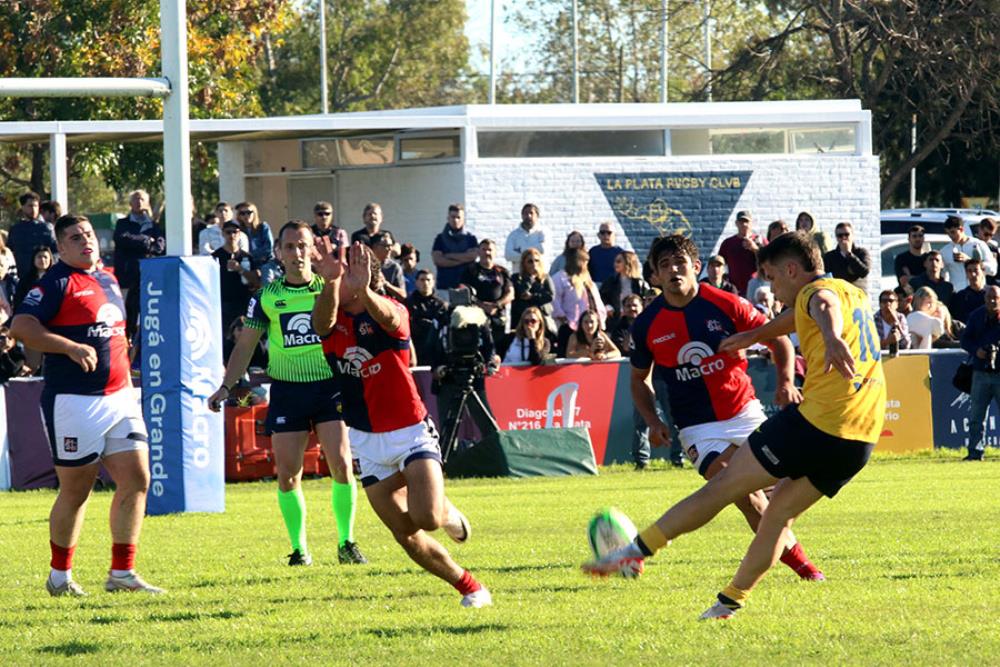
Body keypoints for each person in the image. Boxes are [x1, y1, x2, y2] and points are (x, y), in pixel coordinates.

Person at [585, 231, 881, 619]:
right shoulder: (853, 292)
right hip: (860, 438)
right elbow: (801, 314)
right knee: (774, 513)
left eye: (772, 278)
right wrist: (754, 335)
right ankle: (730, 602)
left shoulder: (812, 294)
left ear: (792, 270)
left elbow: (820, 305)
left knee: (726, 487)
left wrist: (830, 336)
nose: (772, 288)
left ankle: (635, 551)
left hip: (812, 422)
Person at [311, 240, 491, 608]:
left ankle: (444, 510)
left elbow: (391, 321)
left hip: (409, 430)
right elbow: (320, 325)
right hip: (365, 438)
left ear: (363, 278)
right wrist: (330, 282)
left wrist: (363, 290)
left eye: (341, 275)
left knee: (427, 518)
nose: (333, 281)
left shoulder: (393, 309)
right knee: (404, 533)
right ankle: (470, 587)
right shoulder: (332, 314)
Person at [10, 214, 164, 596]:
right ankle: (59, 576)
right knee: (77, 490)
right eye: (75, 238)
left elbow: (111, 332)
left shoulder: (108, 277)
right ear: (61, 247)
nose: (86, 241)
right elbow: (21, 326)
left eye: (89, 234)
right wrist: (70, 347)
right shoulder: (56, 282)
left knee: (137, 479)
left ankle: (122, 573)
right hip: (75, 402)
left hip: (120, 397)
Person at [208, 221, 366, 566]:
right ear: (278, 252)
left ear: (313, 249)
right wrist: (226, 386)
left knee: (341, 465)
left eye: (302, 245)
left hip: (329, 386)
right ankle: (299, 549)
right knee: (288, 474)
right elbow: (245, 345)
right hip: (287, 391)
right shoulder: (265, 297)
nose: (297, 253)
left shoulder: (330, 287)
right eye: (290, 246)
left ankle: (346, 542)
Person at [113, 189, 165, 342]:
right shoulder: (123, 223)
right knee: (126, 310)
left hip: (148, 277)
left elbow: (160, 246)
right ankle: (126, 340)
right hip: (127, 275)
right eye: (135, 199)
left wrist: (143, 243)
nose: (139, 202)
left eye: (142, 199)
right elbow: (123, 239)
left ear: (147, 202)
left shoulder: (154, 226)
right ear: (130, 203)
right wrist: (147, 241)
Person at [960, 285, 1000, 461]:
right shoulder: (976, 316)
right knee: (976, 416)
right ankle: (975, 452)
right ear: (984, 298)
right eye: (989, 297)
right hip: (980, 372)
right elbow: (965, 339)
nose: (992, 301)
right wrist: (977, 351)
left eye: (996, 298)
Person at [551, 248, 606, 357]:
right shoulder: (560, 278)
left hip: (591, 327)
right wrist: (563, 318)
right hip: (571, 327)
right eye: (583, 261)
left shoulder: (588, 280)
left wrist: (601, 320)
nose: (586, 264)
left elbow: (597, 301)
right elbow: (554, 300)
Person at [460, 239, 513, 347]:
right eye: (484, 249)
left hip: (497, 316)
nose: (487, 252)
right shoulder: (470, 270)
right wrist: (482, 306)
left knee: (498, 346)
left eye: (490, 250)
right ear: (478, 252)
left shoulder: (502, 271)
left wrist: (496, 305)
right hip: (476, 316)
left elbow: (510, 293)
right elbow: (463, 291)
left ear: (495, 252)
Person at [212, 221, 259, 334]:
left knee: (244, 335)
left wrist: (240, 269)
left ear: (239, 234)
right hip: (223, 304)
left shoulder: (247, 257)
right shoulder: (215, 256)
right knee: (225, 336)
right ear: (223, 234)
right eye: (228, 232)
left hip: (243, 303)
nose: (232, 235)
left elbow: (256, 281)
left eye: (235, 232)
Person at [8, 192, 57, 285]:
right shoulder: (15, 229)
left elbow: (55, 251)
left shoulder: (47, 228)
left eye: (36, 206)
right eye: (30, 206)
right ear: (23, 207)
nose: (33, 209)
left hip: (43, 277)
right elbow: (10, 251)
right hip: (22, 277)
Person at [431, 204, 479, 290]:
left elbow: (472, 256)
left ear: (463, 219)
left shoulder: (471, 238)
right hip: (445, 287)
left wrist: (449, 256)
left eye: (458, 217)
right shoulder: (440, 239)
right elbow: (438, 260)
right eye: (453, 217)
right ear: (448, 218)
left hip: (467, 286)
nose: (456, 220)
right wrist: (463, 260)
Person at [510, 248, 555, 339]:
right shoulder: (516, 278)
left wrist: (533, 296)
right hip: (522, 318)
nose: (534, 264)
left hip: (542, 317)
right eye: (530, 261)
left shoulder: (545, 278)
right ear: (524, 263)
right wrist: (530, 278)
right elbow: (522, 293)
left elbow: (550, 296)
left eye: (536, 260)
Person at [406, 270, 449, 364]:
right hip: (415, 348)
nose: (425, 283)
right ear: (416, 282)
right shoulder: (408, 303)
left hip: (435, 351)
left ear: (433, 282)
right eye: (422, 280)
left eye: (428, 280)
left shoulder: (440, 305)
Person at [941, 215, 993, 291]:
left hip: (979, 292)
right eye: (948, 233)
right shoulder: (945, 251)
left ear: (961, 229)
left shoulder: (979, 244)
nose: (951, 236)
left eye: (953, 232)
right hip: (958, 294)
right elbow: (942, 275)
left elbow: (992, 270)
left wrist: (970, 261)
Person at [717, 210, 761, 297]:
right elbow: (719, 264)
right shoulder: (728, 243)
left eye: (746, 221)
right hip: (734, 289)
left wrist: (754, 248)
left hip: (755, 288)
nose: (744, 224)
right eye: (741, 222)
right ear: (736, 223)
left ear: (751, 223)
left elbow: (768, 261)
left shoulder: (760, 241)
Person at [599, 251, 649, 321]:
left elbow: (647, 299)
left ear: (628, 263)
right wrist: (608, 306)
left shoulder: (640, 283)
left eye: (619, 261)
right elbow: (602, 295)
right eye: (615, 261)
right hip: (617, 318)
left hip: (637, 318)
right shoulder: (611, 281)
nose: (615, 264)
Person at [504, 203, 548, 267]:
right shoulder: (513, 235)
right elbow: (508, 255)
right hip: (519, 272)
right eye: (526, 213)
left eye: (531, 213)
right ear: (522, 216)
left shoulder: (544, 232)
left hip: (539, 272)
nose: (528, 216)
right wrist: (534, 252)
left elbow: (542, 249)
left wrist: (520, 250)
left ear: (537, 216)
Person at [235, 202, 273, 267]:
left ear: (254, 213)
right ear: (239, 216)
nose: (246, 215)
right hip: (248, 263)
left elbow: (268, 247)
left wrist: (251, 254)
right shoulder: (238, 231)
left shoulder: (263, 227)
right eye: (242, 213)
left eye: (249, 212)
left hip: (266, 262)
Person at [949, 259, 988, 324]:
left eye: (976, 270)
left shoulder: (991, 295)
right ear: (966, 274)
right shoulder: (960, 297)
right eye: (969, 271)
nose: (973, 274)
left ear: (983, 272)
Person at [893, 225, 928, 289]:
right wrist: (925, 279)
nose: (917, 239)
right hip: (908, 294)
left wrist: (910, 276)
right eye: (914, 236)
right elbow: (904, 281)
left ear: (924, 239)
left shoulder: (929, 258)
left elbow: (934, 280)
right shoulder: (901, 258)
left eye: (920, 236)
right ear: (909, 239)